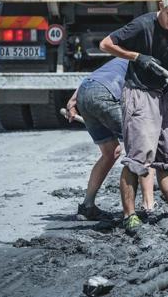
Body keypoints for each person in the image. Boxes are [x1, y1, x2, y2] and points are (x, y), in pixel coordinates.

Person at [99, 0, 168, 235]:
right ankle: (129, 216)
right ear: (161, 6)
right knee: (138, 158)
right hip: (139, 95)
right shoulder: (142, 25)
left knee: (167, 154)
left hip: (162, 95)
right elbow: (106, 44)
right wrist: (137, 57)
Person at [66, 58, 155, 221]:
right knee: (142, 148)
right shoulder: (149, 63)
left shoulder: (120, 59)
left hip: (85, 92)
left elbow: (93, 78)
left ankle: (87, 206)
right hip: (105, 94)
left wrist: (72, 103)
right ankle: (148, 206)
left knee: (111, 152)